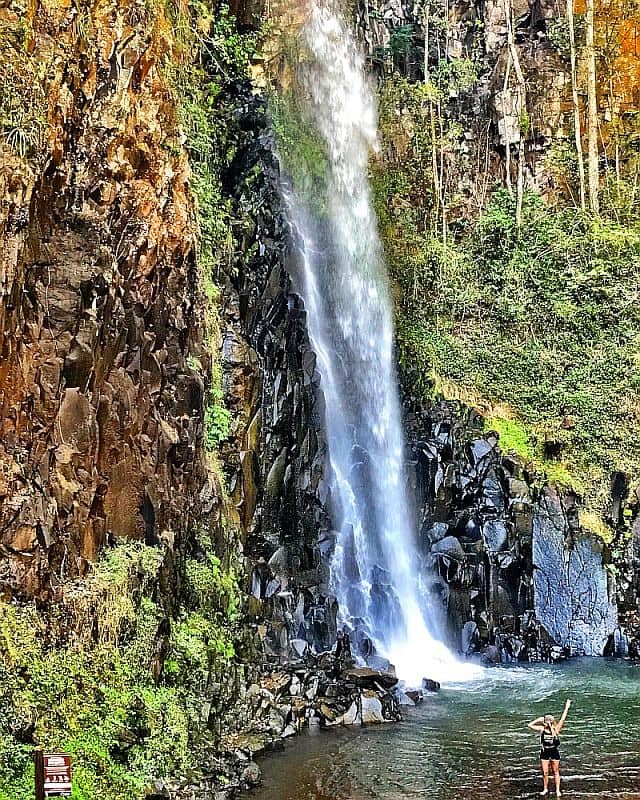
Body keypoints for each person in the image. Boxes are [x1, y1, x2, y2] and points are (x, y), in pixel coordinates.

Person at [527, 699, 572, 797]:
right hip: (545, 752)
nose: (546, 723)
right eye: (545, 721)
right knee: (545, 772)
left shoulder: (556, 729)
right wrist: (538, 719)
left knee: (555, 771)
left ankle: (557, 790)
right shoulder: (542, 729)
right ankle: (545, 789)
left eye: (548, 721)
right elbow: (529, 725)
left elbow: (563, 718)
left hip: (554, 752)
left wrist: (567, 707)